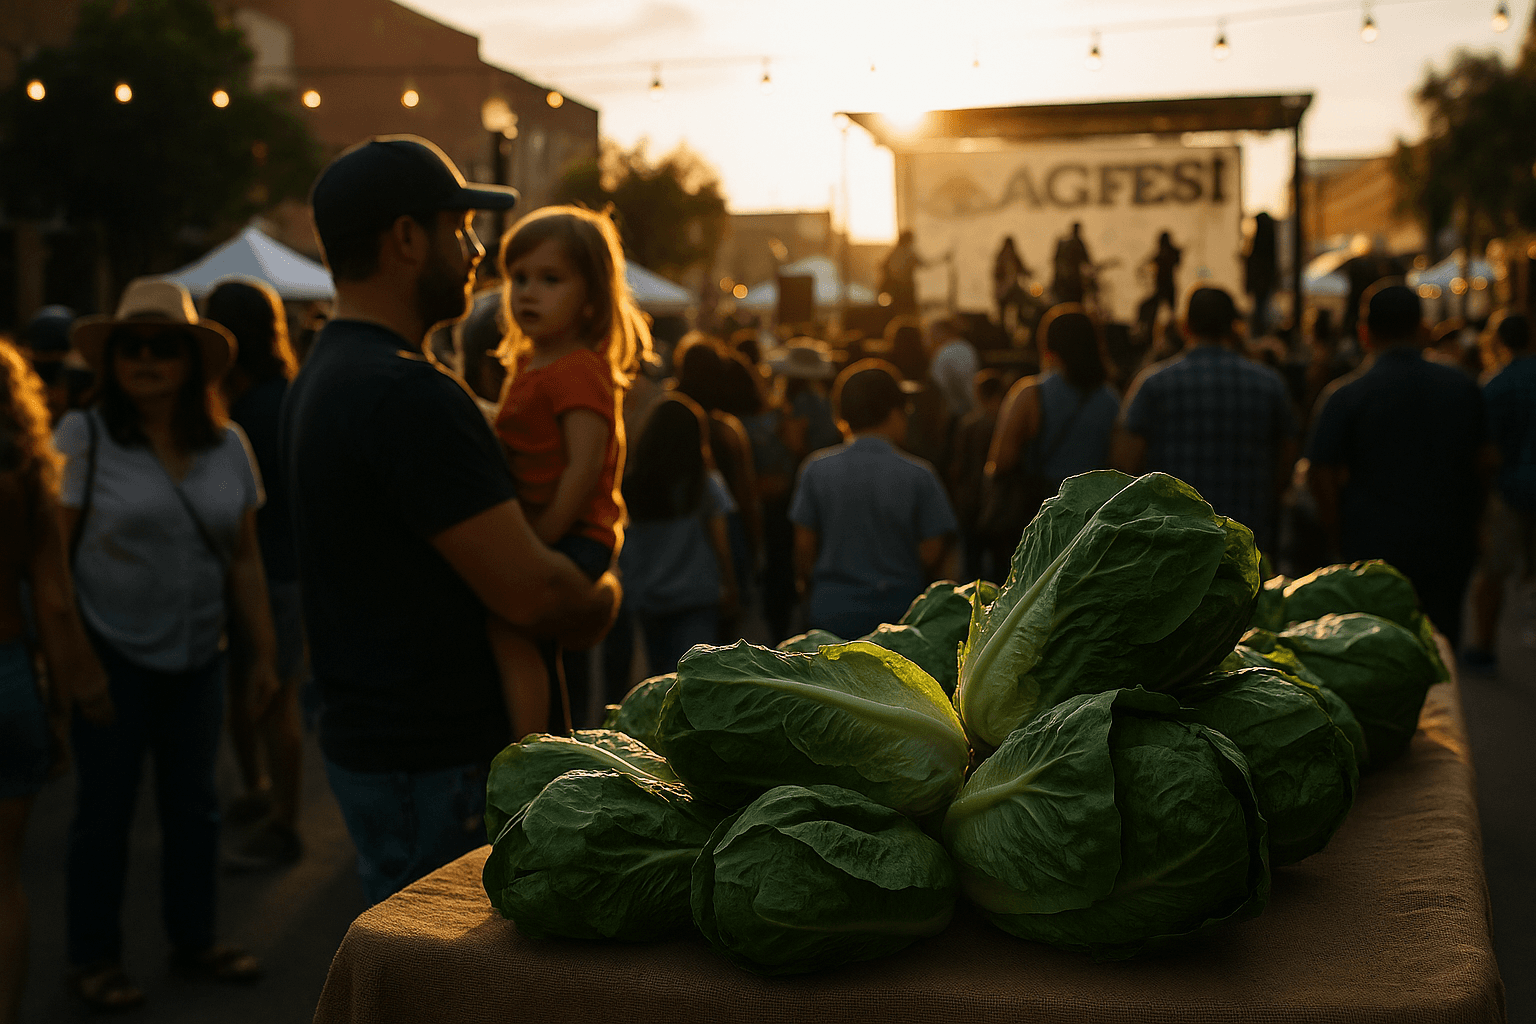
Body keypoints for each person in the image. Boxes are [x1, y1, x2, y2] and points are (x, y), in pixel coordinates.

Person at [281, 135, 620, 904]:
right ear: (406, 238)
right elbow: (535, 596)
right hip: (434, 762)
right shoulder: (404, 394)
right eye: (458, 227)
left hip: (382, 746)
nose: (475, 251)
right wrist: (602, 599)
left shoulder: (330, 370)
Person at [57, 277, 278, 1007]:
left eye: (163, 346)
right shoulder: (82, 436)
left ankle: (194, 939)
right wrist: (74, 662)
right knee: (105, 812)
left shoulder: (227, 445)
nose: (146, 359)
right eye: (131, 347)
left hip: (200, 653)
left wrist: (264, 655)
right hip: (111, 653)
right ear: (111, 358)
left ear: (191, 359)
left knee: (195, 806)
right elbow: (51, 562)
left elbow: (246, 558)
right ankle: (94, 958)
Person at [490, 206, 650, 735]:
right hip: (546, 528)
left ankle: (531, 747)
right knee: (534, 641)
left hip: (575, 532)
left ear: (590, 301)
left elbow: (585, 469)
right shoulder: (530, 364)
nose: (527, 292)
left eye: (550, 279)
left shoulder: (578, 369)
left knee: (511, 627)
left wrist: (538, 543)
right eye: (519, 278)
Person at [0, 339, 111, 1022]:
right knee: (4, 881)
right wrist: (72, 701)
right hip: (10, 678)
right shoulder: (26, 474)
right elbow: (54, 600)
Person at [1306, 282, 1487, 647]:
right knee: (1438, 646)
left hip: (1372, 544)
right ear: (1422, 328)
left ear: (1364, 331)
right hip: (1447, 540)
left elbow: (1319, 468)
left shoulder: (1347, 396)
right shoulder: (1462, 387)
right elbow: (1486, 460)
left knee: (1376, 650)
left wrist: (1335, 528)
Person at [206, 277, 307, 870]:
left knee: (270, 696)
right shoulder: (287, 394)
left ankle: (282, 820)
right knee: (263, 692)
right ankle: (262, 798)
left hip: (268, 571)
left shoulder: (248, 410)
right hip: (285, 569)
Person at [1115, 287, 1297, 554]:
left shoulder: (1154, 384)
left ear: (1185, 326)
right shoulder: (1269, 384)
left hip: (1173, 540)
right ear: (1233, 326)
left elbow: (1125, 463)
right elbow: (1288, 451)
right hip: (1246, 538)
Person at [790, 359, 958, 639]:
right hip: (900, 617)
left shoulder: (814, 469)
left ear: (841, 416)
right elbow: (932, 552)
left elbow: (803, 548)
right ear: (894, 414)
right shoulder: (920, 475)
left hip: (832, 614)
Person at [988, 305, 1121, 564]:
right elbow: (1120, 463)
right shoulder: (1111, 400)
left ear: (1049, 346)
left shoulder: (1030, 394)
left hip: (1040, 519)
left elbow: (1000, 461)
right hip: (1092, 522)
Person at [618, 395, 739, 674]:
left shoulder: (632, 488)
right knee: (697, 679)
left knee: (662, 679)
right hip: (697, 596)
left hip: (649, 598)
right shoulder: (706, 485)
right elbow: (722, 544)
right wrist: (731, 586)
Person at [1467, 312, 1535, 669]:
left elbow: (1486, 450)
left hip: (1507, 487)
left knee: (1493, 572)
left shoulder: (1495, 384)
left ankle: (1483, 646)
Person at [946, 369, 1006, 581]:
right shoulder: (1005, 425)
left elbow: (957, 467)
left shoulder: (967, 425)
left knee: (971, 565)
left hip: (969, 502)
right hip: (999, 505)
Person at [1137, 232, 1182, 339]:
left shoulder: (1164, 254)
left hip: (1164, 288)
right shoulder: (1167, 254)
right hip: (1165, 288)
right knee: (1166, 314)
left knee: (1166, 314)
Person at [879, 230, 924, 315]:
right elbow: (924, 264)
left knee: (897, 312)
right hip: (905, 289)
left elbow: (883, 267)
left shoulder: (894, 252)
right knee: (908, 312)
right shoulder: (909, 253)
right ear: (909, 240)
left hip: (895, 289)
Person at [1050, 222, 1092, 305]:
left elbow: (1055, 260)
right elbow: (1087, 260)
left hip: (1062, 282)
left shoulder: (1063, 243)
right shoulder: (1078, 243)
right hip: (1073, 283)